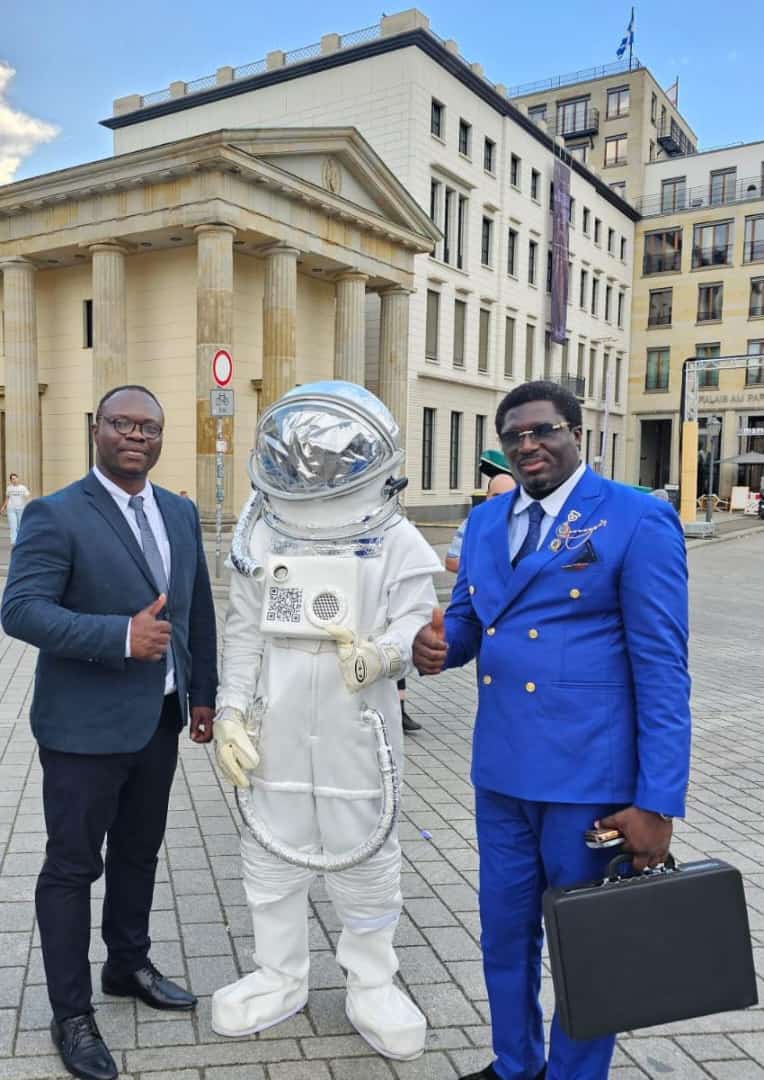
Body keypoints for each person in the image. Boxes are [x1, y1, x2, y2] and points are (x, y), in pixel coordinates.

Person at [413, 380, 691, 1080]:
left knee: (586, 945)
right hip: (503, 773)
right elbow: (471, 617)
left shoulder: (635, 517)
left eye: (543, 430)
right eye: (514, 436)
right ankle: (516, 1065)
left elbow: (663, 669)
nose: (528, 444)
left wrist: (658, 802)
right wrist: (441, 646)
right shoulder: (487, 521)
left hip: (590, 782)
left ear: (577, 432)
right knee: (505, 936)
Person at [210, 380, 441, 1061]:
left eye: (328, 459)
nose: (312, 470)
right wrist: (230, 711)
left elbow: (414, 620)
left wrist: (383, 656)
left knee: (364, 848)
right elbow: (244, 631)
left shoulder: (392, 536)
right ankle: (278, 973)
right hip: (275, 721)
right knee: (269, 849)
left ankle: (371, 982)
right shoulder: (262, 530)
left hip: (356, 725)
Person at [1, 385, 218, 1080]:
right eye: (122, 423)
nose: (136, 436)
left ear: (161, 437)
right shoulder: (56, 513)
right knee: (71, 868)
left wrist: (203, 694)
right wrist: (120, 636)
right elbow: (20, 610)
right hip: (82, 729)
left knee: (139, 853)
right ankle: (71, 1013)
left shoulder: (179, 512)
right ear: (97, 428)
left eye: (149, 427)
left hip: (159, 719)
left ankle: (127, 965)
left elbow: (197, 611)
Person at [445, 472, 516, 574]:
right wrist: (488, 571)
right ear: (487, 496)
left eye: (507, 496)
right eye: (496, 496)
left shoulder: (524, 524)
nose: (501, 501)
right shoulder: (471, 523)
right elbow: (451, 562)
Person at [1, 472, 31, 545]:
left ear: (18, 478)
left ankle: (20, 540)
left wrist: (29, 503)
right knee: (13, 525)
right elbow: (7, 498)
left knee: (20, 525)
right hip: (11, 509)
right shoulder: (9, 488)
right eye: (12, 479)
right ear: (11, 480)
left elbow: (27, 497)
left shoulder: (23, 488)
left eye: (15, 478)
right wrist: (3, 507)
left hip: (21, 509)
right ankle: (13, 541)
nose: (14, 480)